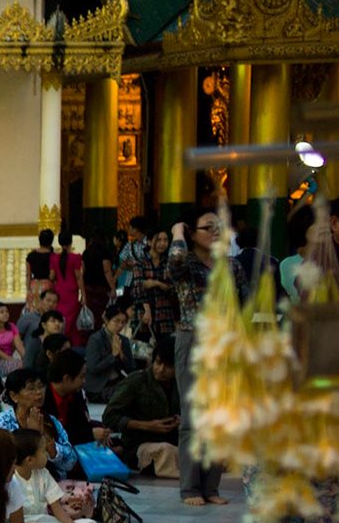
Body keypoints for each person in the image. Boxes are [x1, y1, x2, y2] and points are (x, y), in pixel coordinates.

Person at [169, 208, 242, 505]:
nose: (215, 232)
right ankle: (190, 488)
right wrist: (177, 232)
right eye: (208, 227)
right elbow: (174, 261)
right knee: (192, 417)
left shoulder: (231, 265)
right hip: (193, 339)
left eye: (219, 227)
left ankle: (211, 487)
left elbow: (242, 302)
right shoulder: (186, 263)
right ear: (192, 232)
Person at [103, 336, 182, 477]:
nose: (161, 370)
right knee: (166, 451)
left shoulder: (181, 385)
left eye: (169, 366)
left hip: (174, 440)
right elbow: (110, 417)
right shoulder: (136, 382)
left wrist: (180, 422)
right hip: (139, 445)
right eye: (158, 363)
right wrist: (148, 426)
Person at [12, 427, 97, 523]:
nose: (47, 454)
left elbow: (56, 507)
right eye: (43, 451)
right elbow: (2, 520)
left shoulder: (43, 473)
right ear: (30, 460)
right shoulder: (9, 478)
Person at [0, 367, 75, 475]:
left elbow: (70, 462)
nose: (39, 392)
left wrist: (43, 435)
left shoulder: (50, 420)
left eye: (41, 386)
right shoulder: (2, 422)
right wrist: (32, 436)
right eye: (31, 388)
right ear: (14, 396)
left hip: (51, 480)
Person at [85, 303, 137, 403]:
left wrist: (122, 356)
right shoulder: (95, 339)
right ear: (107, 320)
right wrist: (113, 356)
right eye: (116, 321)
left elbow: (131, 367)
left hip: (117, 382)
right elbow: (93, 368)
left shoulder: (124, 340)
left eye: (123, 322)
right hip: (98, 386)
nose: (120, 326)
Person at [133, 227, 178, 336]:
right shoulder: (141, 263)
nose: (162, 243)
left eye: (165, 240)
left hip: (164, 313)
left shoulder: (168, 263)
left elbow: (173, 287)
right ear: (149, 242)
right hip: (144, 313)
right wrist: (147, 309)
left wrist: (156, 283)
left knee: (164, 344)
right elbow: (138, 288)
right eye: (158, 240)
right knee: (143, 344)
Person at [51, 226, 86, 343]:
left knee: (62, 317)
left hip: (59, 291)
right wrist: (83, 294)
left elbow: (52, 276)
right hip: (71, 291)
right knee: (71, 320)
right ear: (71, 242)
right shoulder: (75, 257)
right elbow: (78, 277)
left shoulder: (54, 258)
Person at [21, 309, 65, 373]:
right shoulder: (35, 341)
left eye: (60, 321)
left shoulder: (64, 341)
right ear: (44, 325)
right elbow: (27, 364)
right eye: (53, 321)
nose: (57, 324)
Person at [25, 229, 55, 307]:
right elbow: (52, 275)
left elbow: (28, 274)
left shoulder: (31, 256)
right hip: (48, 284)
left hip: (34, 285)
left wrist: (28, 290)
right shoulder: (53, 256)